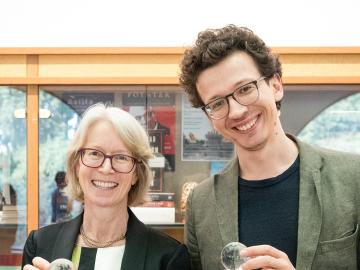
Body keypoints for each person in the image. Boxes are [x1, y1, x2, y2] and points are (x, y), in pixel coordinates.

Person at [179, 25, 360, 270]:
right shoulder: (201, 203)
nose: (237, 111)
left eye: (245, 89)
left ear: (275, 86)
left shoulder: (353, 178)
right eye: (218, 103)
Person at [22, 103, 190, 270]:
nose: (106, 168)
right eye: (94, 153)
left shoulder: (168, 257)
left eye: (121, 157)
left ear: (136, 174)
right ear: (77, 165)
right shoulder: (40, 245)